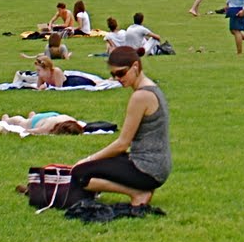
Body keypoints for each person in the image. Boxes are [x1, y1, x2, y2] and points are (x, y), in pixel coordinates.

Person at [67, 47, 171, 207]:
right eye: (113, 74)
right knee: (99, 164)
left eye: (121, 73)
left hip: (147, 170)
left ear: (135, 66)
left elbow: (122, 144)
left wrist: (87, 160)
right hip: (156, 165)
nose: (117, 78)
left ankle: (137, 193)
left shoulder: (141, 96)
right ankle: (140, 189)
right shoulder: (152, 88)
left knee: (80, 174)